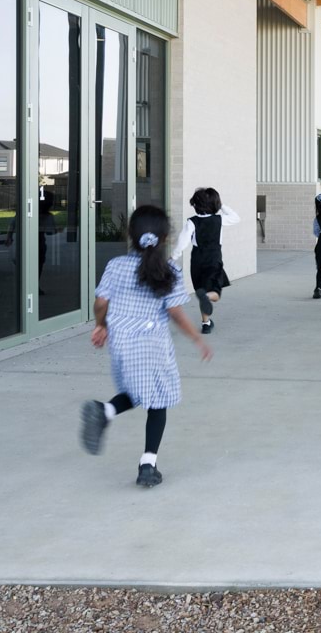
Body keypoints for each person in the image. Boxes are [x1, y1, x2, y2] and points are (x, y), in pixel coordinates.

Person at [79, 205, 212, 488]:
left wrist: (101, 325)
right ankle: (148, 464)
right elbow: (175, 313)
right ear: (164, 239)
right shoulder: (169, 271)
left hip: (122, 343)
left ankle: (106, 412)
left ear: (130, 235)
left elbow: (101, 302)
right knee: (158, 400)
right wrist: (197, 338)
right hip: (153, 345)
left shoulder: (116, 265)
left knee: (137, 391)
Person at [171, 187, 239, 335]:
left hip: (197, 260)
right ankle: (207, 297)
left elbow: (182, 242)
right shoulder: (219, 220)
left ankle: (206, 323)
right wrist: (222, 206)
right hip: (213, 259)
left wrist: (173, 257)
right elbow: (235, 217)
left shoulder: (192, 222)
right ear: (215, 204)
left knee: (201, 289)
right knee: (214, 293)